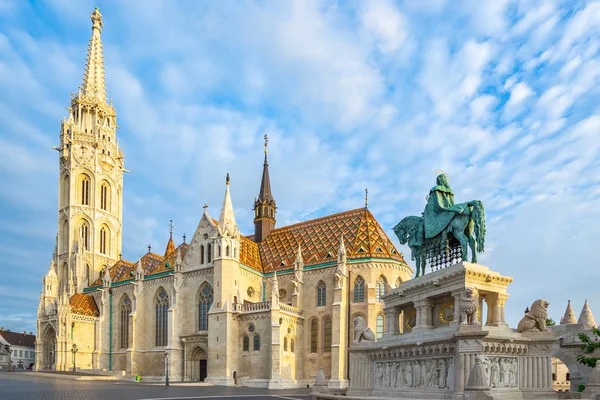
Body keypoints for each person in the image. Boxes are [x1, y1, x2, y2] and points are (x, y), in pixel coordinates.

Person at [422, 173, 468, 239]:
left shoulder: (435, 189)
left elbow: (431, 206)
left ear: (439, 181)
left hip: (440, 209)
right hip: (451, 207)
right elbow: (453, 203)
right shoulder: (450, 191)